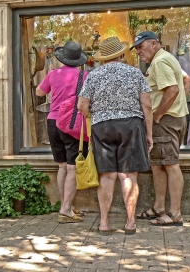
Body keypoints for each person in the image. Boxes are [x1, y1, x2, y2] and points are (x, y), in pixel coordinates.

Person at [77, 37, 153, 235]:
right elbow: (147, 105)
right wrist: (149, 133)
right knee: (128, 175)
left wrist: (95, 114)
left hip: (102, 126)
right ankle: (130, 222)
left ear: (103, 58)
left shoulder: (93, 75)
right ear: (121, 54)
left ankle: (103, 223)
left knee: (107, 175)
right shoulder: (135, 73)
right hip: (131, 125)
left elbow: (82, 106)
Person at [131, 31, 189, 226]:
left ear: (154, 44)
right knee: (158, 164)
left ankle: (174, 214)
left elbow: (172, 90)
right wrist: (180, 105)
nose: (138, 51)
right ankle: (159, 207)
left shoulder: (160, 62)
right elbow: (186, 81)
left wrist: (158, 115)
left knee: (170, 164)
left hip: (166, 121)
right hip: (173, 118)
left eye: (141, 46)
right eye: (136, 48)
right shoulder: (166, 58)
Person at [36, 41, 89, 223]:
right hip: (72, 123)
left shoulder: (52, 74)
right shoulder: (84, 76)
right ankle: (66, 208)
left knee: (62, 166)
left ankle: (65, 205)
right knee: (73, 166)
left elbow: (39, 93)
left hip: (52, 121)